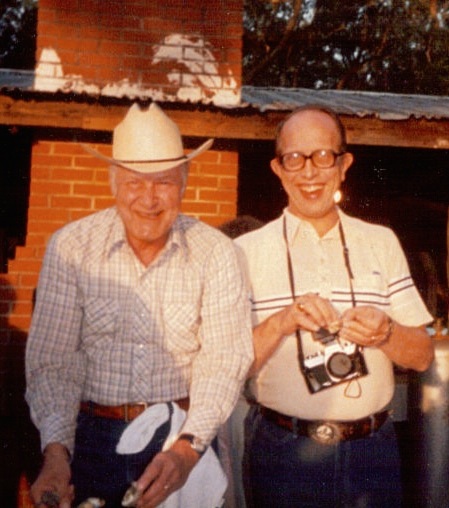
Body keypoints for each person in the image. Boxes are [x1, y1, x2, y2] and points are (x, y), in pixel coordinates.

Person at [25, 102, 254, 508]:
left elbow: (223, 360)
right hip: (90, 439)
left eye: (163, 182)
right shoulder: (72, 248)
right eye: (135, 182)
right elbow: (53, 363)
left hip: (182, 435)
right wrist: (57, 453)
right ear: (114, 183)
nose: (149, 199)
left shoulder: (217, 253)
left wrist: (187, 451)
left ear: (184, 182)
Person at [234, 105, 434, 508]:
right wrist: (282, 322)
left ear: (344, 165)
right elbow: (230, 367)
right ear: (278, 168)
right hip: (282, 453)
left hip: (372, 455)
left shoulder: (380, 242)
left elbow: (422, 356)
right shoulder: (243, 253)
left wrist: (387, 333)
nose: (309, 172)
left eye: (324, 156)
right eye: (295, 158)